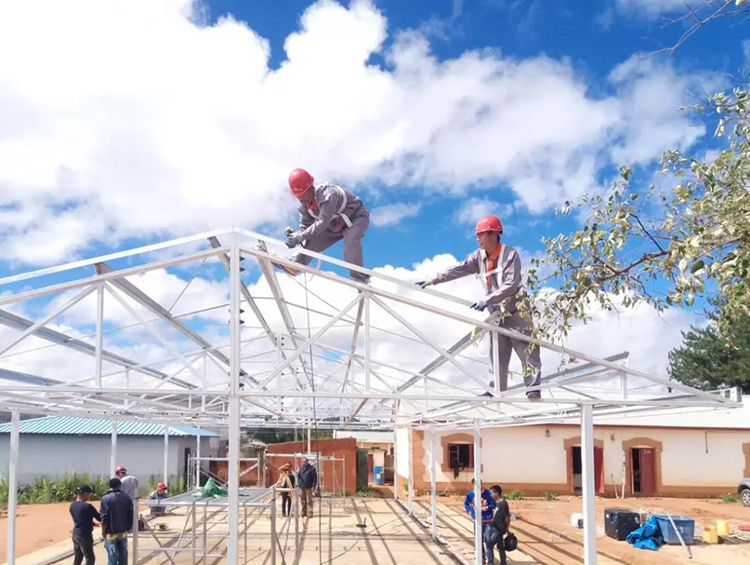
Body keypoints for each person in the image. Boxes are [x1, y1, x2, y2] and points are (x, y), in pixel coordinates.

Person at [416, 214, 542, 400]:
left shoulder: (510, 255)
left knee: (526, 347)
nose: (478, 239)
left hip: (517, 309)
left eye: (481, 234)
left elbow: (510, 285)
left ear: (493, 234)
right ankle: (496, 390)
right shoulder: (478, 257)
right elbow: (458, 269)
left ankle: (533, 388)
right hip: (497, 311)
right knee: (497, 350)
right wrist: (433, 279)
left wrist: (487, 299)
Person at [285, 168, 371, 283]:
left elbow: (322, 223)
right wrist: (297, 234)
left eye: (302, 194)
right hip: (335, 226)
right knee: (311, 242)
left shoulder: (328, 195)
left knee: (350, 242)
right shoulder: (303, 206)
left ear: (310, 187)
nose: (300, 198)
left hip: (356, 218)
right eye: (297, 195)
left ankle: (359, 279)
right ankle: (294, 265)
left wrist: (301, 236)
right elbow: (305, 225)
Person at [100, 477, 134, 565]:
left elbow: (104, 517)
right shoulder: (126, 498)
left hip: (110, 533)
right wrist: (128, 527)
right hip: (123, 531)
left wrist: (103, 531)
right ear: (120, 485)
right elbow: (130, 514)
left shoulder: (105, 498)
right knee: (123, 555)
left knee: (112, 557)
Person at [464, 479, 497, 565]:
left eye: (479, 484)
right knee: (479, 540)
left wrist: (486, 508)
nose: (478, 486)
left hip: (488, 520)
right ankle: (481, 558)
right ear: (472, 485)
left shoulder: (488, 494)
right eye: (475, 485)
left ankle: (490, 562)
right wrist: (470, 511)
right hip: (477, 521)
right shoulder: (470, 494)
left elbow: (494, 504)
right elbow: (466, 504)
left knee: (488, 541)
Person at [69, 484, 100, 565]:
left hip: (75, 534)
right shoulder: (87, 506)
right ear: (85, 493)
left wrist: (92, 523)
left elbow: (80, 519)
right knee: (90, 558)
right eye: (89, 493)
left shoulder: (72, 505)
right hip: (85, 535)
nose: (89, 495)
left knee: (78, 557)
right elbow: (100, 518)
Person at [490, 485, 512, 565]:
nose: (491, 495)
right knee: (500, 546)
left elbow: (507, 517)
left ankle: (490, 562)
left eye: (492, 493)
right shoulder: (497, 503)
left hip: (499, 529)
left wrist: (506, 528)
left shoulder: (503, 503)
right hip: (495, 527)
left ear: (497, 493)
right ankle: (503, 562)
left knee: (490, 544)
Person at [115, 466, 139, 534]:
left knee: (125, 517)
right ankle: (133, 531)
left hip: (125, 502)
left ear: (117, 473)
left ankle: (127, 531)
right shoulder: (134, 478)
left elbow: (119, 492)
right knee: (134, 517)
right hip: (134, 501)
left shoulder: (121, 481)